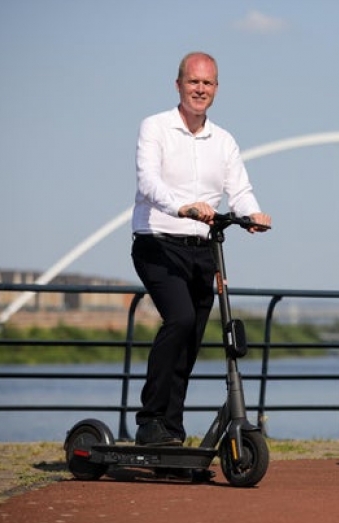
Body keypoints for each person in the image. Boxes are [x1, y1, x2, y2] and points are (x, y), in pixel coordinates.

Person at [131, 51, 271, 447]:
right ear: (178, 85)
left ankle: (170, 429)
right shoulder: (154, 128)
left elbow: (239, 190)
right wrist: (183, 206)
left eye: (207, 83)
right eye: (193, 82)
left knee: (192, 335)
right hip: (157, 243)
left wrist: (252, 214)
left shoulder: (223, 141)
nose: (200, 89)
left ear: (216, 89)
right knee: (178, 320)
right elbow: (148, 183)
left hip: (203, 250)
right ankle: (150, 420)